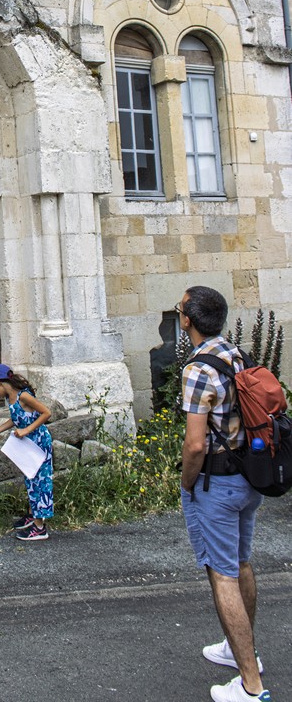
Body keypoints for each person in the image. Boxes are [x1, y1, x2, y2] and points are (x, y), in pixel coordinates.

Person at [178, 286, 270, 702]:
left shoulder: (198, 370)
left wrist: (186, 482)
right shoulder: (235, 354)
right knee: (241, 563)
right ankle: (241, 653)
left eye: (181, 309)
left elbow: (195, 444)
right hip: (249, 477)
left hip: (216, 483)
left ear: (187, 320)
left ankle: (251, 685)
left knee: (222, 574)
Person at [0, 363, 53, 541]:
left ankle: (40, 527)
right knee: (30, 480)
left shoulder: (24, 396)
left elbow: (46, 413)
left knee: (40, 483)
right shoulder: (11, 398)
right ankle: (32, 516)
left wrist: (26, 430)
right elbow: (16, 418)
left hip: (39, 443)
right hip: (28, 445)